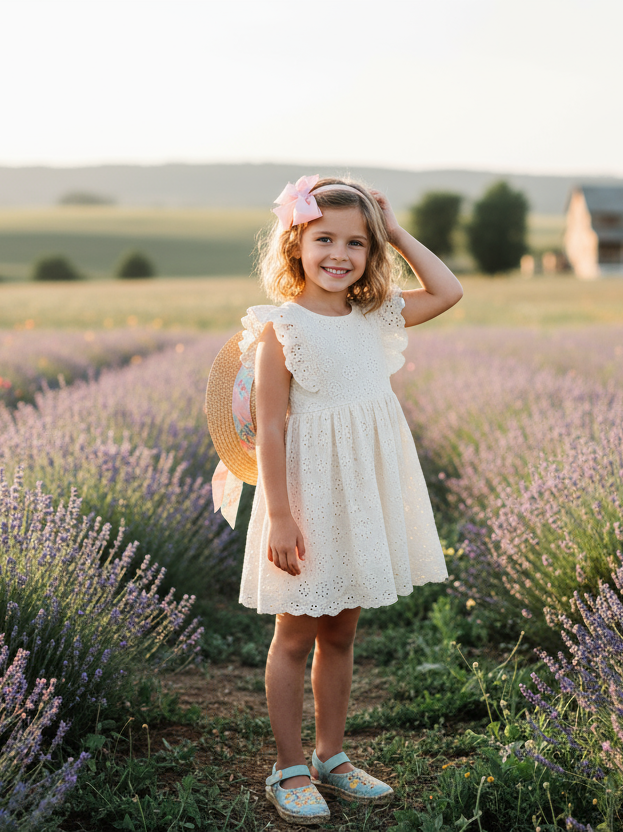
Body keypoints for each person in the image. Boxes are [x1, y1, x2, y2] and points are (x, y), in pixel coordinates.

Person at [237, 175, 463, 824]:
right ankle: (287, 768)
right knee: (294, 634)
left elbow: (448, 291)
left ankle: (330, 757)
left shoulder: (375, 314)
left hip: (360, 495)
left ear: (372, 251)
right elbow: (271, 428)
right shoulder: (282, 328)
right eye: (324, 239)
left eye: (357, 243)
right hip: (306, 499)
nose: (339, 254)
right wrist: (280, 516)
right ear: (295, 245)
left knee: (341, 631)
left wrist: (397, 231)